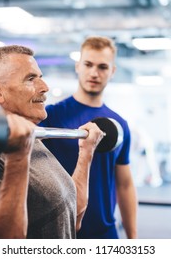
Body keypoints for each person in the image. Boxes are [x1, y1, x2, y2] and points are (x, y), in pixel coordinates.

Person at [0, 45, 105, 239]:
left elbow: (73, 215)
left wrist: (86, 153)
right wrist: (18, 159)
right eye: (30, 79)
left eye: (40, 77)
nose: (44, 87)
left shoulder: (34, 140)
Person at [39, 36, 138, 239]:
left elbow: (125, 185)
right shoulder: (50, 116)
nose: (94, 73)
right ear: (78, 66)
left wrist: (133, 239)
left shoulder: (120, 125)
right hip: (61, 231)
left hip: (105, 232)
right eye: (88, 64)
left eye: (102, 67)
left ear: (112, 71)